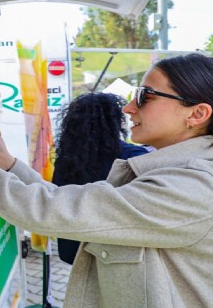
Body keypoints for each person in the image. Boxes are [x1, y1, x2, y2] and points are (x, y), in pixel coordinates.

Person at [0, 53, 213, 307]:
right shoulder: (183, 173)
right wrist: (4, 160)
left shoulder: (197, 187)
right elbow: (68, 204)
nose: (128, 109)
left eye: (144, 96)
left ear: (197, 114)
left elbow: (53, 211)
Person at [52, 92, 149, 264]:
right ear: (115, 122)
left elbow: (57, 194)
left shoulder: (66, 157)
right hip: (112, 251)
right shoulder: (133, 156)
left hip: (72, 244)